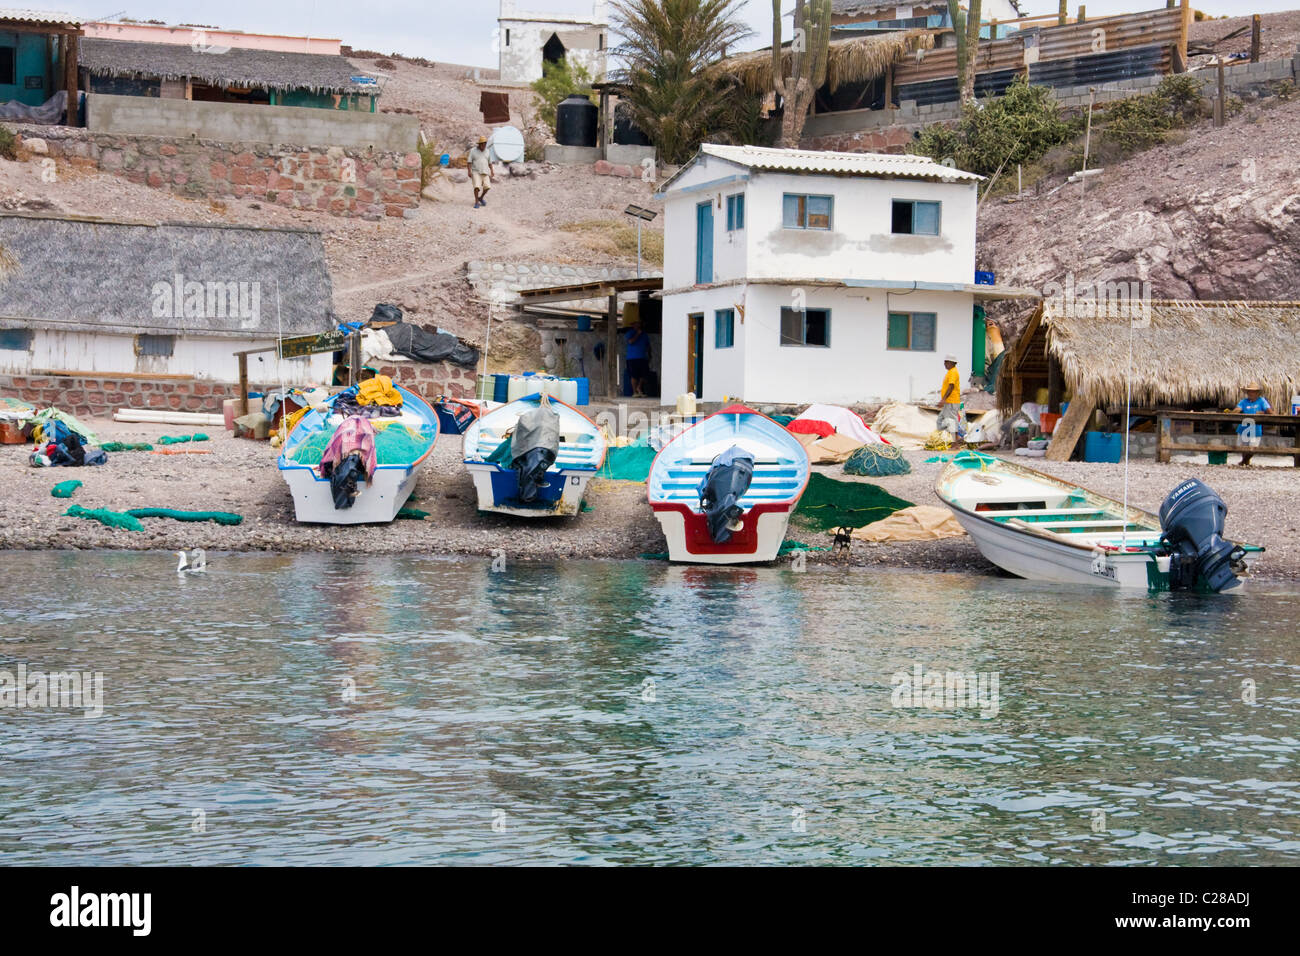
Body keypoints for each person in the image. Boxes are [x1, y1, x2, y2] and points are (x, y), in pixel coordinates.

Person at [1233, 383, 1271, 461]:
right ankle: (1245, 462)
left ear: (1257, 393)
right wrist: (1236, 410)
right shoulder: (1243, 401)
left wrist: (1263, 413)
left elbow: (1270, 412)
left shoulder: (1262, 401)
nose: (1250, 393)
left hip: (1255, 428)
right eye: (1249, 391)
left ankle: (1245, 461)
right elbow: (1237, 410)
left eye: (1253, 391)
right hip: (1244, 427)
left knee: (1253, 448)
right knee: (1242, 447)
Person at [936, 354, 963, 436]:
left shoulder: (953, 372)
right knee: (940, 421)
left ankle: (955, 443)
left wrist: (943, 399)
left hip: (951, 401)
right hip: (948, 402)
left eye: (946, 362)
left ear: (952, 363)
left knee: (951, 421)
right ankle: (948, 438)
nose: (944, 364)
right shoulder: (950, 372)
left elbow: (951, 386)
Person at [624, 321, 651, 398]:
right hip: (632, 358)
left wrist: (649, 354)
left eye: (639, 323)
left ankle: (639, 388)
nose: (638, 325)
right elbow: (631, 341)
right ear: (633, 325)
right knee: (634, 375)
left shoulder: (644, 334)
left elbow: (648, 345)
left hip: (642, 357)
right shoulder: (630, 333)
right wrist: (637, 334)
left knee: (644, 374)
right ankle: (634, 392)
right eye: (636, 324)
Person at [468, 136, 493, 208]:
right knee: (476, 187)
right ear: (479, 144)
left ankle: (481, 198)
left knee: (487, 187)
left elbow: (490, 162)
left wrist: (492, 170)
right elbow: (469, 162)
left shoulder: (487, 151)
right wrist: (469, 171)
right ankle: (476, 202)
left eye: (485, 144)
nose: (484, 145)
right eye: (482, 144)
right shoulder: (473, 151)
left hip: (485, 171)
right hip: (476, 171)